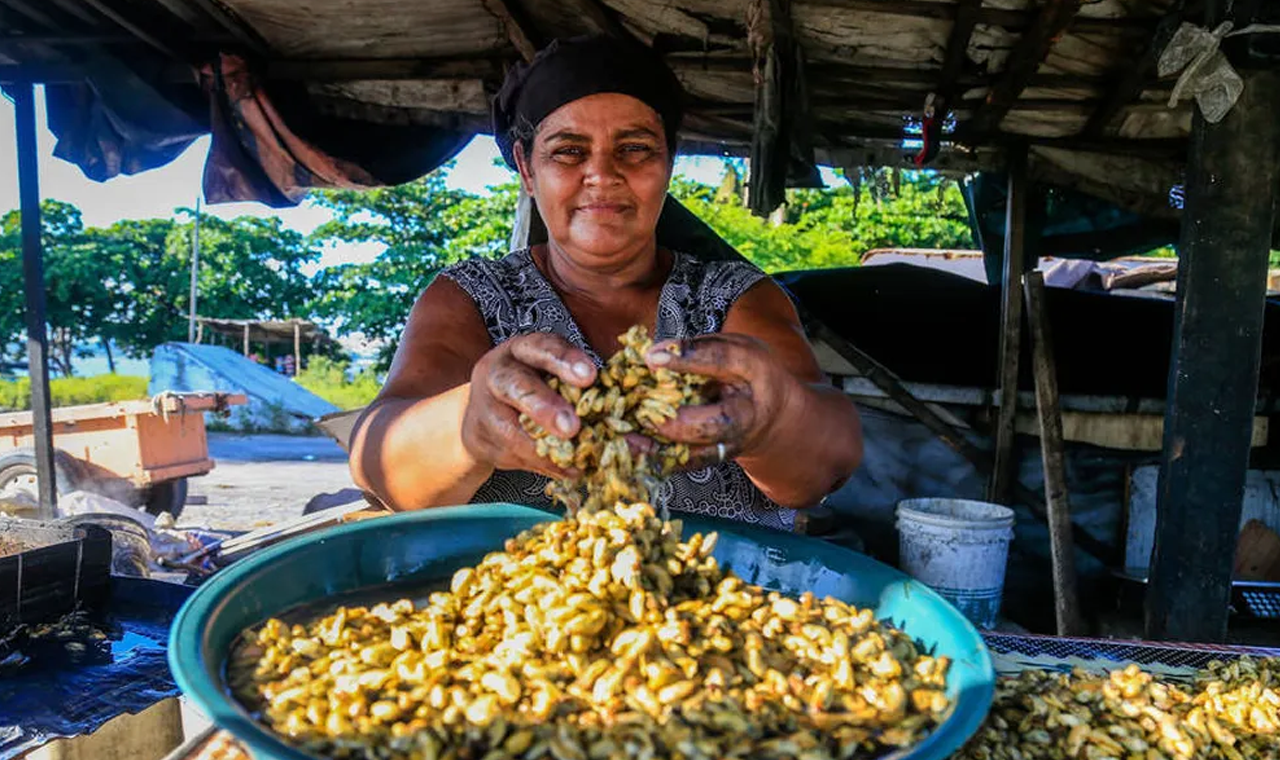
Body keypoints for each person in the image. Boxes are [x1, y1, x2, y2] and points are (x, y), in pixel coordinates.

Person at [349, 35, 862, 530]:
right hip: (527, 607)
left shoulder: (734, 298)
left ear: (668, 160)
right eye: (569, 151)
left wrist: (774, 418)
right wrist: (471, 424)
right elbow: (379, 463)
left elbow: (827, 465)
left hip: (707, 605)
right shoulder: (472, 298)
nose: (602, 174)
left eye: (635, 149)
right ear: (527, 169)